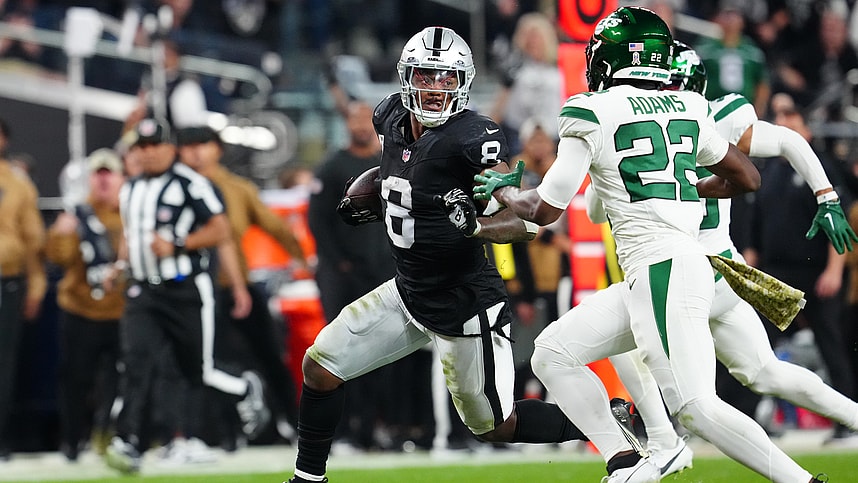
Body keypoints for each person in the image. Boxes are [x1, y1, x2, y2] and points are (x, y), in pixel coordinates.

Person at [474, 7, 824, 483]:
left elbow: (543, 208)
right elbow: (747, 176)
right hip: (668, 267)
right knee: (552, 354)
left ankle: (801, 481)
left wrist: (503, 191)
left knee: (696, 408)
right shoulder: (686, 106)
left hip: (662, 267)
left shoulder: (591, 110)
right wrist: (685, 189)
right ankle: (627, 458)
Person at [287, 27, 609, 483]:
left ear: (463, 82)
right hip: (408, 292)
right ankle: (307, 480)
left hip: (463, 303)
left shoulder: (473, 138)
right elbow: (403, 168)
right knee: (320, 367)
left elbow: (526, 222)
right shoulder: (389, 116)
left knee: (495, 426)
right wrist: (381, 193)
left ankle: (610, 420)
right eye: (426, 76)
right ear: (406, 77)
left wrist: (479, 224)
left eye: (446, 78)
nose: (436, 88)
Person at [592, 40, 858, 478]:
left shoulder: (653, 121)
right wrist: (825, 194)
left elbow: (595, 211)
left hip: (683, 272)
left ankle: (662, 442)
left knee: (623, 344)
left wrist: (604, 167)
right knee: (766, 372)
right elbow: (789, 141)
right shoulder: (719, 114)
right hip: (724, 273)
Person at [103, 118, 268, 474]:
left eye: (154, 145)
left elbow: (220, 229)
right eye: (141, 147)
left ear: (169, 148)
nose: (148, 153)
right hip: (143, 290)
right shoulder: (131, 189)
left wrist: (178, 244)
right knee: (136, 363)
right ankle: (128, 440)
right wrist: (119, 266)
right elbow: (131, 235)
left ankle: (240, 390)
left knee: (194, 367)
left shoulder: (191, 183)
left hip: (185, 289)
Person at [176, 125, 308, 443]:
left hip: (235, 285)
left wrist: (302, 260)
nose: (196, 152)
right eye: (189, 146)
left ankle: (298, 425)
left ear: (217, 149)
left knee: (270, 355)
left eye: (203, 144)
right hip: (191, 289)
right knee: (206, 362)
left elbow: (275, 226)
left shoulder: (237, 189)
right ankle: (218, 434)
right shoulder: (173, 188)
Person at [744, 92, 858, 444]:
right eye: (777, 114)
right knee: (754, 345)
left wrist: (834, 270)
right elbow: (756, 226)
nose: (781, 120)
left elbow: (838, 218)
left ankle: (849, 419)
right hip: (776, 274)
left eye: (789, 113)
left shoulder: (821, 164)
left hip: (815, 271)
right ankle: (750, 418)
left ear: (804, 122)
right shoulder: (770, 169)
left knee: (831, 344)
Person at [307, 100, 401, 452]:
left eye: (366, 119)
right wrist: (339, 263)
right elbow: (317, 221)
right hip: (343, 275)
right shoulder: (332, 167)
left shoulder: (391, 164)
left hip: (385, 270)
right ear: (345, 123)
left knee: (385, 352)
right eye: (354, 118)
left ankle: (377, 426)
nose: (361, 125)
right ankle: (343, 430)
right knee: (340, 350)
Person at [46, 148, 126, 462]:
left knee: (122, 380)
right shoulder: (78, 213)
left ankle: (113, 436)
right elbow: (59, 259)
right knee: (75, 379)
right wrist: (61, 234)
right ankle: (71, 440)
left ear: (120, 178)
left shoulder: (132, 211)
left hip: (121, 311)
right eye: (98, 174)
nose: (104, 180)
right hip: (81, 310)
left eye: (109, 174)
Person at [0, 116, 47, 461]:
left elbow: (33, 240)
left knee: (3, 364)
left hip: (7, 281)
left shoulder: (17, 184)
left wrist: (37, 285)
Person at [488, 12, 563, 155]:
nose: (533, 41)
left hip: (553, 136)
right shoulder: (514, 69)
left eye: (537, 36)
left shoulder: (560, 67)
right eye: (529, 36)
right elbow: (499, 106)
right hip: (519, 136)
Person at [694, 3, 770, 117]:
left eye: (735, 16)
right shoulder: (705, 47)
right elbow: (694, 76)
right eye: (727, 16)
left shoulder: (752, 50)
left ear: (742, 21)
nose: (731, 20)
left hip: (744, 108)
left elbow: (762, 81)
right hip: (712, 107)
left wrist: (759, 107)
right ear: (718, 19)